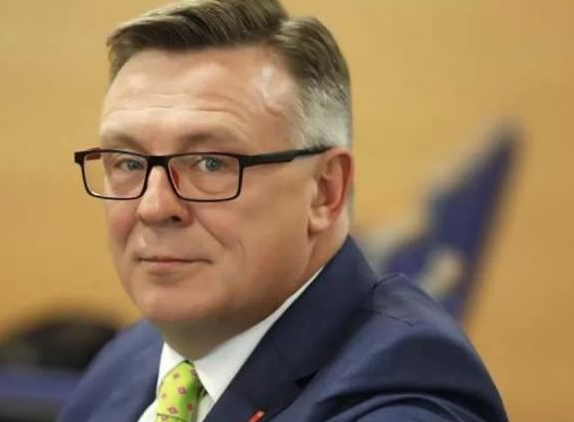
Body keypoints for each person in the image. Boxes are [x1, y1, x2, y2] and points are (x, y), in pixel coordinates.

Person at [60, 0, 507, 421]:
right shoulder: (131, 358)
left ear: (324, 191)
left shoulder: (404, 391)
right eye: (129, 163)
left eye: (211, 163)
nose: (155, 206)